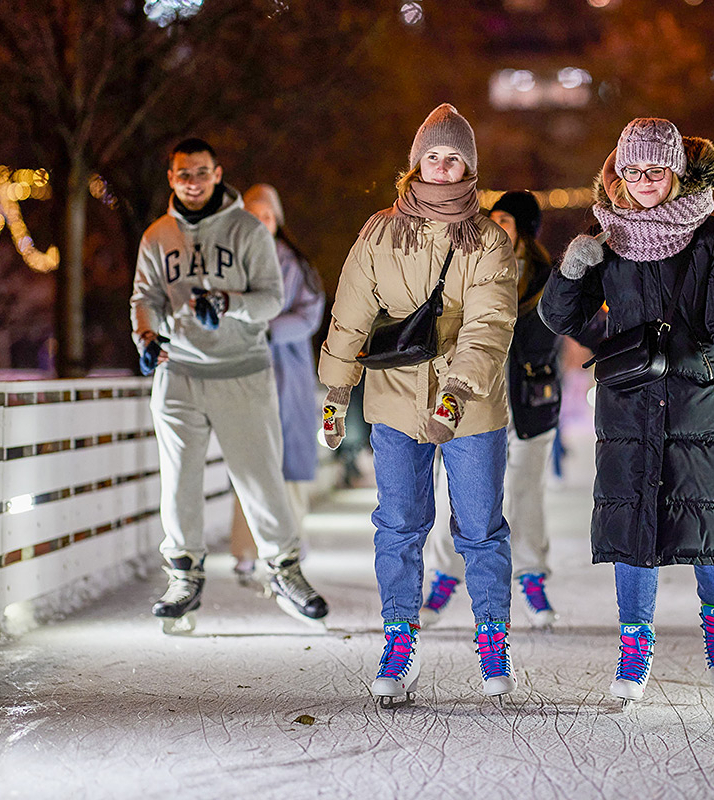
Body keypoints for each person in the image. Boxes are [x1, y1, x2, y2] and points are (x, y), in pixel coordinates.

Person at [539, 118, 714, 705]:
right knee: (633, 523)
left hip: (700, 400)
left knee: (709, 520)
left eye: (656, 170)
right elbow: (563, 321)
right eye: (632, 171)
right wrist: (571, 271)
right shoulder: (604, 237)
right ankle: (634, 647)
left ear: (676, 172)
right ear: (618, 173)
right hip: (632, 402)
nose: (643, 182)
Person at [317, 104, 519, 703]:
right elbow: (351, 313)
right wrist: (335, 389)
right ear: (416, 163)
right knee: (399, 525)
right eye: (434, 154)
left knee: (480, 528)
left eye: (454, 156)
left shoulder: (487, 240)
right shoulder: (379, 231)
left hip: (471, 405)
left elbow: (490, 323)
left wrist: (458, 390)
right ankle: (399, 638)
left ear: (470, 166)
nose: (443, 165)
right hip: (394, 399)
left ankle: (491, 638)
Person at [130, 137, 329, 634]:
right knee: (179, 481)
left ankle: (284, 569)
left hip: (242, 371)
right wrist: (147, 334)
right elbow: (145, 295)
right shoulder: (157, 235)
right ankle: (183, 574)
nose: (192, 183)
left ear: (218, 174)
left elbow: (270, 301)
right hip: (178, 373)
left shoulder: (247, 230)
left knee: (259, 476)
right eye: (182, 174)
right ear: (171, 178)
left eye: (201, 173)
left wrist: (227, 301)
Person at [420, 190, 562, 630]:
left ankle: (532, 580)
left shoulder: (547, 281)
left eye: (506, 220)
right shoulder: (467, 266)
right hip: (474, 399)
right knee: (453, 490)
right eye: (493, 217)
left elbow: (572, 327)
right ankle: (443, 579)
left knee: (525, 492)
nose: (495, 226)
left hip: (529, 403)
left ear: (524, 232)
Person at [227, 184, 327, 588]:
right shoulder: (232, 263)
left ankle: (290, 544)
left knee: (289, 460)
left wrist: (266, 329)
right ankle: (246, 548)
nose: (259, 223)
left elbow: (309, 315)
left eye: (266, 216)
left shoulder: (295, 264)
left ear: (277, 220)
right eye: (252, 215)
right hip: (246, 370)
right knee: (249, 459)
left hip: (287, 370)